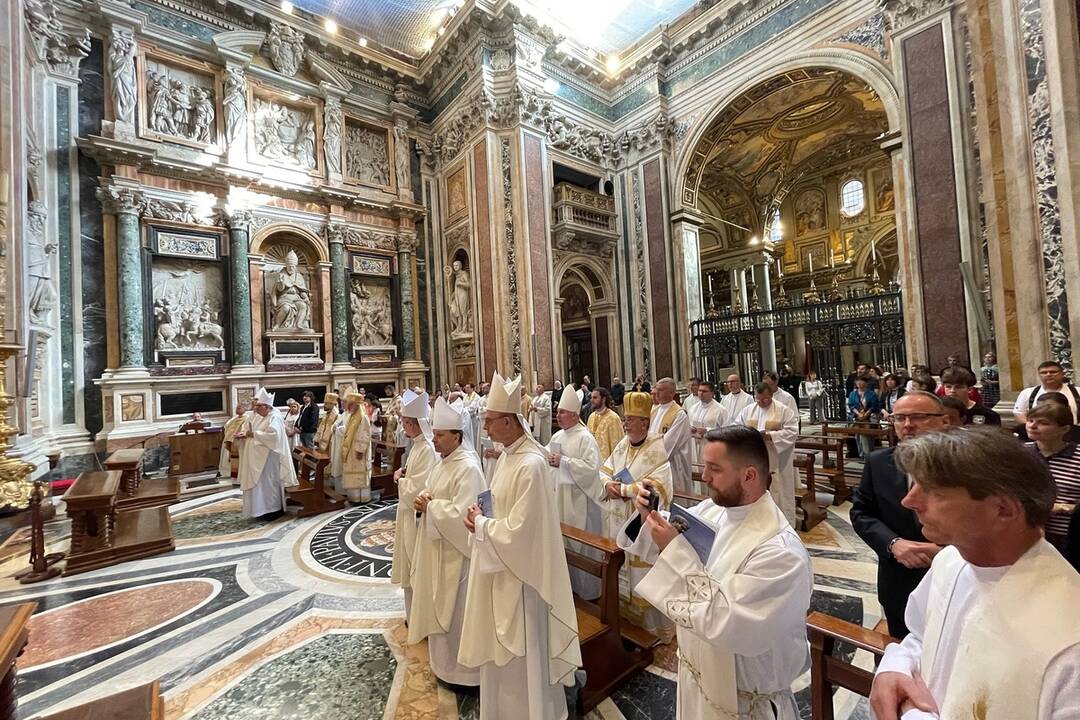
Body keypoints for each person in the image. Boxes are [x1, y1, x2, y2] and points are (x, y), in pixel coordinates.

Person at [870, 426, 1080, 720]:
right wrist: (895, 667)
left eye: (932, 491)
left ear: (1004, 510)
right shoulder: (951, 561)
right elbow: (920, 637)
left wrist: (912, 714)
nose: (909, 501)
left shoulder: (1070, 642)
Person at [617, 425, 812, 719]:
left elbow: (728, 623)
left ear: (749, 476)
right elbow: (674, 536)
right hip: (697, 686)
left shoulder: (780, 553)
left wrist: (673, 550)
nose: (704, 477)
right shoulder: (714, 510)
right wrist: (649, 516)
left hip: (743, 706)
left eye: (714, 469)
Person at [459, 372, 581, 720]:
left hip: (524, 578)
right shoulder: (510, 455)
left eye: (491, 421)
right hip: (503, 567)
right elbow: (501, 510)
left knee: (525, 656)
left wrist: (481, 524)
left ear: (510, 422)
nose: (486, 428)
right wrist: (480, 517)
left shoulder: (531, 463)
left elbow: (521, 533)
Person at [850, 391, 947, 638]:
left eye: (918, 417)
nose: (907, 425)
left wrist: (948, 553)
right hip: (898, 576)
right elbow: (862, 513)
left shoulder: (967, 463)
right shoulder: (878, 462)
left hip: (953, 578)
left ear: (943, 421)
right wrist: (893, 544)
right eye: (899, 418)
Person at [409, 395, 484, 688]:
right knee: (439, 607)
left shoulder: (468, 467)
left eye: (440, 435)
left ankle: (464, 675)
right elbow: (431, 492)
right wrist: (422, 501)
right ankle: (444, 667)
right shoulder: (443, 463)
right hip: (438, 549)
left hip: (457, 557)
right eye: (435, 434)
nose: (435, 440)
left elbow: (464, 514)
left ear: (456, 436)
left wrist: (431, 507)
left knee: (457, 611)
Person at [599, 390, 673, 636]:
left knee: (642, 573)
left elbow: (656, 488)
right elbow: (604, 469)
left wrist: (623, 489)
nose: (626, 423)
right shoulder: (622, 444)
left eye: (630, 419)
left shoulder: (657, 449)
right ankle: (625, 625)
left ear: (645, 423)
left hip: (641, 526)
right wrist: (607, 485)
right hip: (617, 520)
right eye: (626, 418)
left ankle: (650, 631)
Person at [546, 386, 605, 599]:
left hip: (580, 501)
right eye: (559, 412)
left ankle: (590, 593)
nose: (558, 416)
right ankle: (570, 591)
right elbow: (547, 455)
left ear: (574, 414)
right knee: (564, 547)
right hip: (560, 498)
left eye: (562, 412)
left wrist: (564, 462)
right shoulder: (558, 435)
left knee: (582, 547)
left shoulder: (585, 438)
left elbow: (591, 469)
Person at [391, 390, 438, 623]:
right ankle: (413, 615)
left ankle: (422, 618)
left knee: (417, 565)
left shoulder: (427, 449)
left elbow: (419, 487)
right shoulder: (418, 445)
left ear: (415, 423)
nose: (403, 427)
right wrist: (405, 474)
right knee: (410, 564)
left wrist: (401, 479)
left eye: (405, 422)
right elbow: (414, 476)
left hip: (416, 518)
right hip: (407, 515)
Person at [735, 383, 800, 525]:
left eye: (765, 400)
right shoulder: (748, 410)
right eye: (758, 400)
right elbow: (737, 426)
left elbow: (793, 431)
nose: (761, 403)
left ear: (771, 395)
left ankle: (783, 523)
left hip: (777, 458)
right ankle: (759, 522)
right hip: (755, 458)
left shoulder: (784, 411)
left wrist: (770, 435)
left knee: (780, 489)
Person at [1023, 402, 1080, 554]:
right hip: (1025, 531)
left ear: (1065, 429)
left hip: (1068, 535)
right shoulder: (1019, 453)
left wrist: (1063, 507)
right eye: (1030, 420)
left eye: (1043, 423)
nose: (1032, 426)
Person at [235, 388, 298, 520]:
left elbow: (274, 436)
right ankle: (260, 510)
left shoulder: (274, 417)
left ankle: (273, 509)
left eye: (258, 406)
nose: (255, 408)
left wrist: (253, 434)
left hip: (269, 458)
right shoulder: (261, 416)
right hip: (258, 457)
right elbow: (251, 431)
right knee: (260, 486)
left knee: (269, 484)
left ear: (266, 406)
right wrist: (246, 435)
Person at [651, 377, 693, 493]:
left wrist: (648, 455)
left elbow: (669, 443)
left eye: (661, 390)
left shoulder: (679, 414)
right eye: (656, 389)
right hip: (654, 464)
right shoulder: (654, 411)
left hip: (673, 464)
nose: (656, 393)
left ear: (671, 393)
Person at [1013, 360, 1080, 424]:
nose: (1048, 375)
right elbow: (1019, 413)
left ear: (1062, 374)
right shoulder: (1027, 393)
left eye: (1053, 372)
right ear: (1039, 375)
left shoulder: (1077, 391)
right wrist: (1032, 426)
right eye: (1044, 372)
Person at [335, 391, 372, 503]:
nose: (349, 406)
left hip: (359, 450)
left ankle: (363, 497)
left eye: (351, 404)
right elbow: (347, 431)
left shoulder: (362, 416)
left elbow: (365, 434)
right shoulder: (352, 416)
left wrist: (360, 449)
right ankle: (354, 497)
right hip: (351, 450)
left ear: (356, 404)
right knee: (352, 473)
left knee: (359, 473)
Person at [687, 381, 728, 471]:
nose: (701, 393)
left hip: (710, 445)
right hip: (695, 445)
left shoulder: (720, 410)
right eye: (700, 391)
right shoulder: (693, 408)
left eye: (704, 391)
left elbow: (726, 430)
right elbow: (688, 424)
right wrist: (690, 428)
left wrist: (708, 431)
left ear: (712, 393)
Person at [848, 375, 882, 458]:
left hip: (869, 418)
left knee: (865, 434)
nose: (859, 383)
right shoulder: (853, 393)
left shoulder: (871, 394)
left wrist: (866, 414)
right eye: (857, 381)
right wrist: (859, 414)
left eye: (861, 381)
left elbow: (874, 407)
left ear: (866, 383)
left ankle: (867, 454)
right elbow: (851, 406)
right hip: (857, 417)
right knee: (858, 436)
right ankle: (863, 453)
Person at [587, 387, 623, 461]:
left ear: (603, 399)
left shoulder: (613, 418)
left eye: (595, 398)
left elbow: (618, 445)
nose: (592, 400)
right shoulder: (591, 417)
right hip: (592, 463)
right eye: (591, 398)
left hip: (608, 464)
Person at [218, 404, 246, 481]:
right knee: (228, 458)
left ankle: (239, 475)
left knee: (238, 459)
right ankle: (228, 473)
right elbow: (226, 427)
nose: (237, 409)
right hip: (229, 440)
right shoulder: (233, 419)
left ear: (244, 409)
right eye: (237, 408)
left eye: (239, 408)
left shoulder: (247, 418)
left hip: (238, 441)